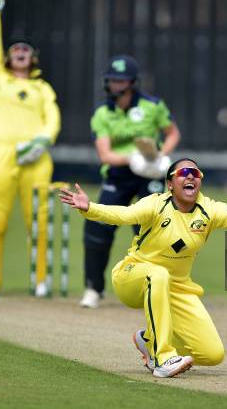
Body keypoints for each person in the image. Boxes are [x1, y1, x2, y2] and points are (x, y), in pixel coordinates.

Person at [59, 158, 227, 378]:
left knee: (212, 354)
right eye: (183, 172)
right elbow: (123, 215)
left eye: (196, 173)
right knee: (158, 273)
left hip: (177, 287)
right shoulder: (155, 205)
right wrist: (90, 207)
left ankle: (148, 339)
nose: (190, 176)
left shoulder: (209, 211)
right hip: (133, 276)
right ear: (169, 184)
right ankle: (163, 358)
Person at [0, 0, 61, 297]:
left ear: (33, 56)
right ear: (9, 57)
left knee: (39, 220)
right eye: (15, 50)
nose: (21, 53)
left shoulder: (43, 89)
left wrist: (42, 140)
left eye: (26, 49)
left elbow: (52, 118)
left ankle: (41, 280)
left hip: (36, 158)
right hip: (2, 154)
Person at [80, 54, 181, 308]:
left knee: (151, 231)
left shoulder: (152, 105)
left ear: (132, 83)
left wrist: (160, 157)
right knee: (98, 229)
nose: (114, 85)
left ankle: (156, 288)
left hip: (150, 174)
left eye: (120, 81)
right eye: (112, 80)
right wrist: (133, 158)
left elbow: (172, 133)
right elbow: (105, 154)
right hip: (119, 174)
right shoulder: (102, 113)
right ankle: (94, 288)